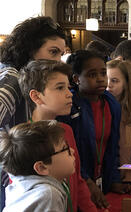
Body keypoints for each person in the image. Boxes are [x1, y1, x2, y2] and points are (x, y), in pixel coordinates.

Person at [0, 16, 66, 210]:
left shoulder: (25, 78)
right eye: (53, 52)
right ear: (29, 50)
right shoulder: (13, 77)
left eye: (61, 54)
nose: (57, 60)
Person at [19, 60, 100, 211]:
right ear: (36, 96)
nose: (69, 94)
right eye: (60, 88)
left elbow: (77, 180)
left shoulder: (65, 130)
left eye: (68, 87)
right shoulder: (23, 141)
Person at [62, 50, 131, 207]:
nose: (101, 79)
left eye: (102, 73)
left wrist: (114, 179)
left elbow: (112, 146)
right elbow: (71, 152)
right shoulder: (70, 107)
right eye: (92, 75)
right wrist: (86, 181)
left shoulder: (111, 104)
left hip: (101, 178)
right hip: (77, 179)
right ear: (76, 79)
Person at [0, 120, 75, 212]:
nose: (72, 151)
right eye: (65, 148)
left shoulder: (21, 184)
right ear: (41, 167)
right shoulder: (48, 195)